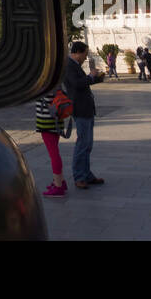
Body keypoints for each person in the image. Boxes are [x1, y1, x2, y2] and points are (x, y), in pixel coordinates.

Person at [62, 41, 106, 189]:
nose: (85, 58)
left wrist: (96, 78)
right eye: (85, 54)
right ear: (78, 53)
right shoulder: (69, 65)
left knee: (87, 144)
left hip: (86, 108)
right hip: (79, 108)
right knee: (82, 144)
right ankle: (79, 176)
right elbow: (76, 84)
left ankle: (86, 174)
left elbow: (82, 83)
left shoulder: (75, 65)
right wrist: (90, 76)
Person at [34, 83, 71, 197]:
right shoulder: (56, 78)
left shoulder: (45, 80)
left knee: (54, 154)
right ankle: (60, 181)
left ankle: (58, 186)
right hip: (56, 120)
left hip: (46, 122)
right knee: (55, 152)